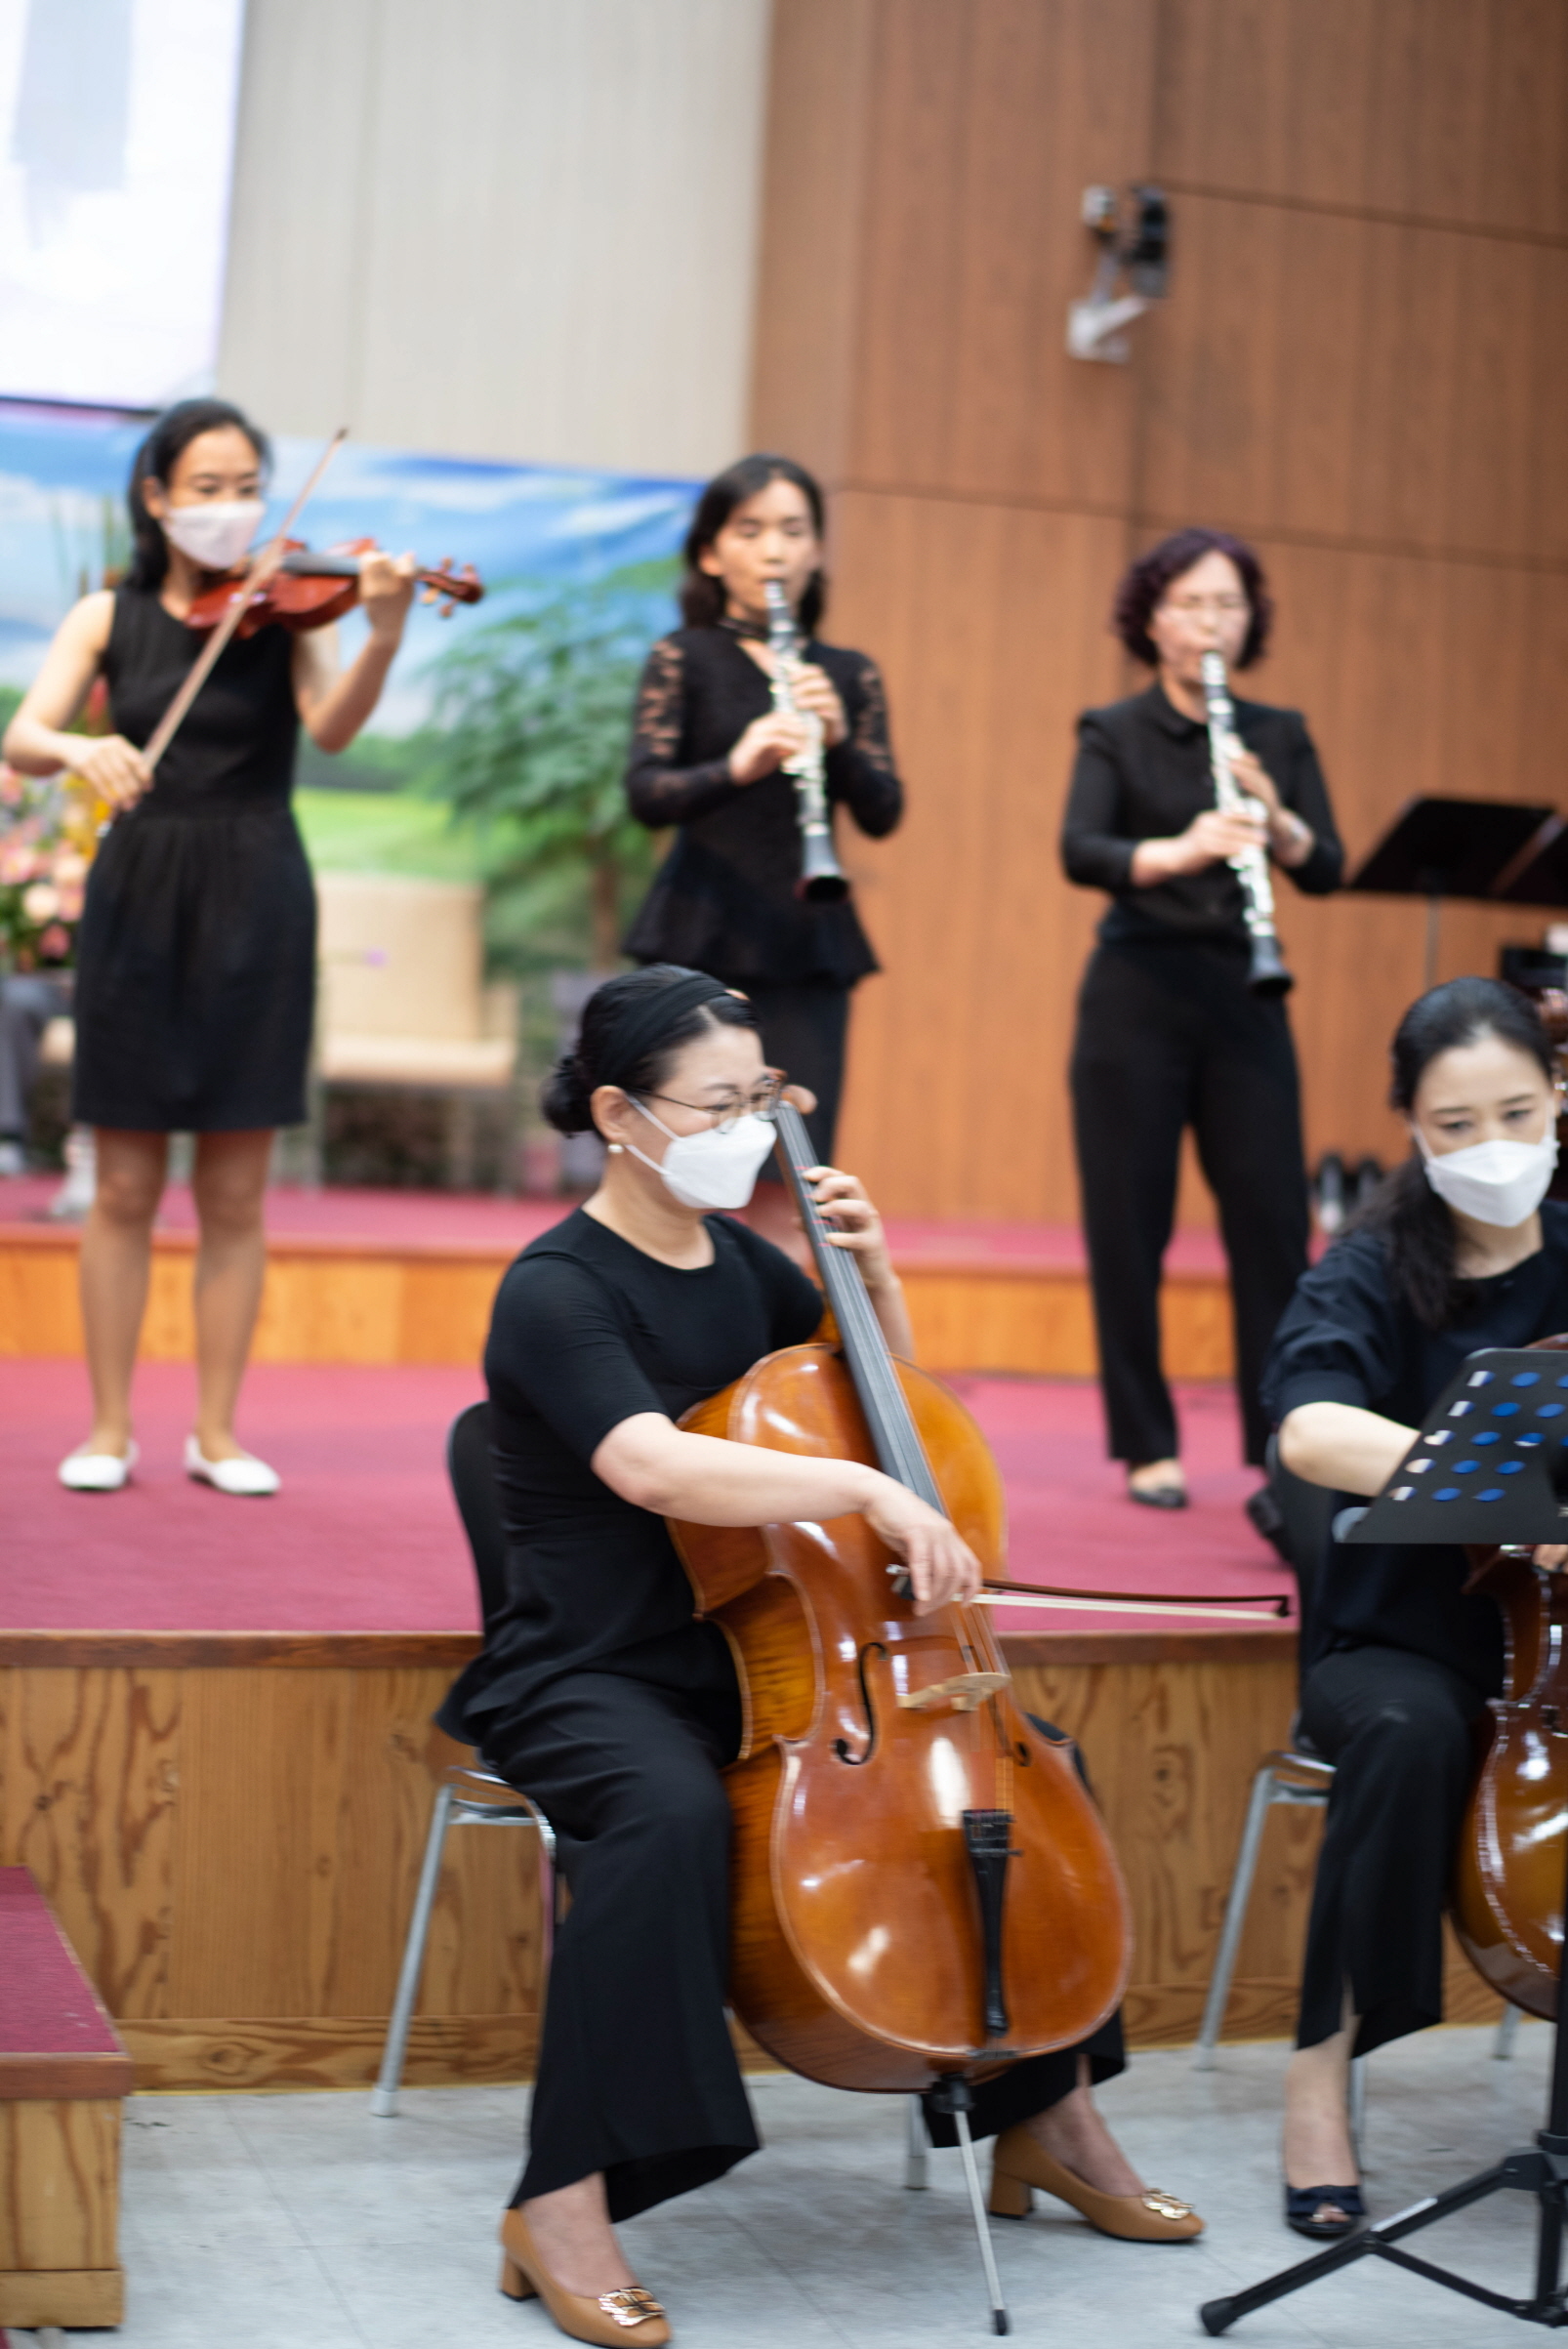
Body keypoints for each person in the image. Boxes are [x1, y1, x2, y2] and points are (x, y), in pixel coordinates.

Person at [437, 964, 1200, 2348]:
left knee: (1030, 1770)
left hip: (779, 1654)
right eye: (716, 1104)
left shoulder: (746, 1267)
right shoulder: (555, 1288)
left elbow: (883, 1408)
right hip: (596, 1666)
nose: (748, 1130)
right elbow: (650, 1462)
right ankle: (560, 2198)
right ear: (616, 1114)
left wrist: (873, 1279)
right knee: (666, 1818)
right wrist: (860, 1495)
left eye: (762, 1100)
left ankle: (1048, 2116)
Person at [3, 397, 415, 1495]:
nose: (231, 508)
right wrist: (82, 748)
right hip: (140, 893)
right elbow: (23, 734)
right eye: (207, 488)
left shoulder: (291, 611)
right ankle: (107, 1428)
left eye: (247, 489)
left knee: (235, 1196)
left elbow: (332, 729)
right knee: (123, 1187)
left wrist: (383, 632)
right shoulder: (107, 613)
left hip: (257, 892)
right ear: (157, 496)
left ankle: (217, 1433)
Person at [1263, 976, 1568, 2239]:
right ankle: (1317, 2080)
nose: (1491, 1147)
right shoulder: (1370, 1268)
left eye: (1516, 1114)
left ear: (1557, 1098)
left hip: (1553, 1646)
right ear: (1411, 1127)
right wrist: (1510, 1486)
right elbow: (1309, 1429)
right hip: (1398, 1640)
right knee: (1406, 1733)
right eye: (1455, 1125)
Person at [1060, 527, 1342, 1509]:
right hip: (1134, 993)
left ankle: (1284, 1445)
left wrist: (1277, 814)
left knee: (1271, 1224)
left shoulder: (1279, 732)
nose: (1210, 622)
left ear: (1250, 619)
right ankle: (1147, 1443)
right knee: (1128, 1224)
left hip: (1246, 991)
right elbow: (1081, 849)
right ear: (1151, 620)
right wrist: (1183, 849)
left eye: (1227, 604)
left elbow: (1327, 864)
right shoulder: (1113, 728)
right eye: (1189, 603)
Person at [621, 453, 902, 1247]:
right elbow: (646, 794)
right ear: (712, 553)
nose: (774, 550)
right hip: (698, 934)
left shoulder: (847, 673)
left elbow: (883, 812)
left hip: (809, 943)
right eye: (750, 531)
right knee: (679, 1162)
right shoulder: (684, 657)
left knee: (791, 1171)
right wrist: (737, 765)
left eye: (793, 530)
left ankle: (776, 1328)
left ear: (817, 550)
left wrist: (838, 740)